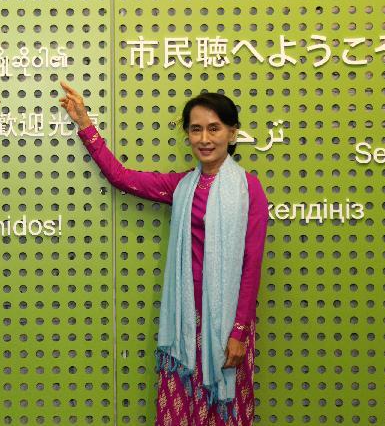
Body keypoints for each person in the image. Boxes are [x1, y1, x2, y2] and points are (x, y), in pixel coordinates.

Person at [59, 82, 268, 425]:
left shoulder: (249, 190)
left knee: (224, 411)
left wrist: (239, 332)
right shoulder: (181, 187)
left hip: (228, 323)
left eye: (214, 129)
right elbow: (121, 177)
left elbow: (251, 264)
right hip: (185, 320)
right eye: (196, 129)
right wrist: (85, 124)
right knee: (181, 408)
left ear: (232, 134)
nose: (204, 138)